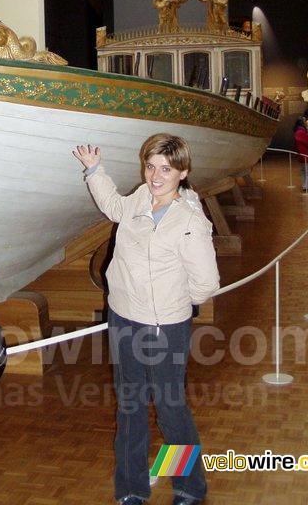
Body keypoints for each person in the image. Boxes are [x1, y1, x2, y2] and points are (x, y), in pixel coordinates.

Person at [73, 134, 219, 505]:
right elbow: (112, 206)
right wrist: (94, 170)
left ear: (183, 172)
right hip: (123, 319)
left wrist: (169, 306)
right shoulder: (140, 196)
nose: (155, 175)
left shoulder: (190, 221)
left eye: (166, 169)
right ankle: (132, 488)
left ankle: (188, 486)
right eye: (151, 166)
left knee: (170, 408)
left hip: (164, 328)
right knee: (130, 405)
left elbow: (206, 284)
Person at [294, 116, 308, 192]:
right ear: (303, 123)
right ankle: (306, 186)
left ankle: (304, 186)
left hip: (302, 154)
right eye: (305, 122)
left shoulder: (298, 131)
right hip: (304, 154)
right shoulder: (301, 132)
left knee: (304, 171)